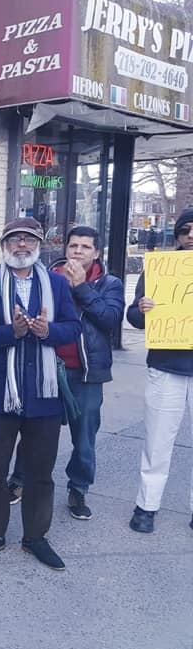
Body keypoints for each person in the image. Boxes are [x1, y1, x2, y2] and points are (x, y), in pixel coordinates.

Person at [0, 218, 80, 571]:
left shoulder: (56, 284)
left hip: (44, 396)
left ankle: (35, 538)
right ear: (4, 245)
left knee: (40, 472)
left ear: (39, 246)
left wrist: (47, 331)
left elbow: (73, 328)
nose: (22, 245)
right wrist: (9, 332)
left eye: (29, 239)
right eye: (15, 239)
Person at [8, 226, 123, 521]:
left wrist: (82, 288)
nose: (78, 251)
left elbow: (110, 320)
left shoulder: (109, 283)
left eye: (85, 247)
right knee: (32, 429)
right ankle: (19, 478)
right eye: (73, 245)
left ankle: (78, 488)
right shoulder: (46, 276)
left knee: (83, 435)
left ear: (96, 253)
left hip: (85, 373)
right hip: (46, 366)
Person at [126, 208, 193, 533]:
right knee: (157, 440)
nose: (191, 235)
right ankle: (146, 505)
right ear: (177, 233)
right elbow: (134, 317)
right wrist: (142, 309)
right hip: (167, 365)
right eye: (185, 229)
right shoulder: (161, 268)